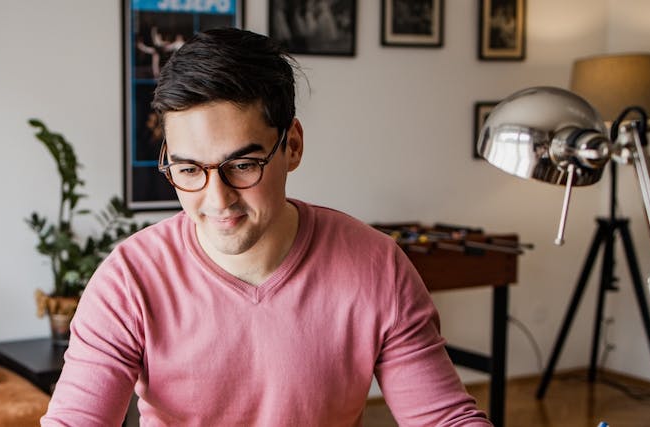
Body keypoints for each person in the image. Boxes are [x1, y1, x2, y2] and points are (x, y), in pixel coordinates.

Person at [41, 28, 491, 426]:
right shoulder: (129, 280)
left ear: (291, 145)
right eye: (188, 169)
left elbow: (445, 418)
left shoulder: (377, 267)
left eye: (242, 164)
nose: (216, 200)